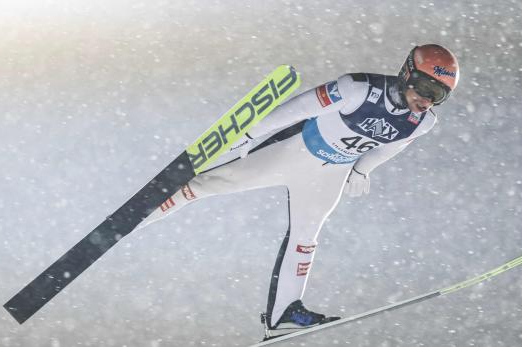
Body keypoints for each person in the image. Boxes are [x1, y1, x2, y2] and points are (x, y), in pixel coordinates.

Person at [136, 44, 460, 337]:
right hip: (293, 152)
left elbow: (392, 147)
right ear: (407, 73)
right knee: (205, 185)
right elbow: (297, 108)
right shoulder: (358, 89)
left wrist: (362, 169)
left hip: (331, 171)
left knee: (306, 238)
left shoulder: (423, 122)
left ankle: (285, 313)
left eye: (439, 95)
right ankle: (132, 222)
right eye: (426, 86)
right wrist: (251, 133)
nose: (427, 100)